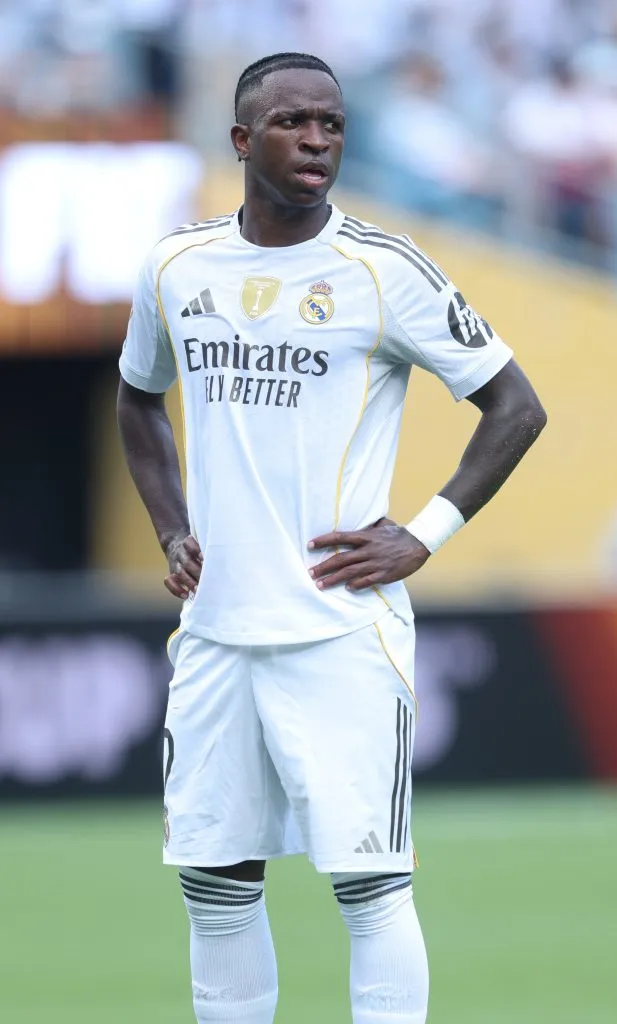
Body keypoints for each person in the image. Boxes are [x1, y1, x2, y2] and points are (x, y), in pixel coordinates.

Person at [117, 51, 546, 1024]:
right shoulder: (176, 265)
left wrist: (423, 532)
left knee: (368, 885)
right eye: (293, 123)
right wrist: (171, 525)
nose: (317, 140)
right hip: (217, 635)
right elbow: (138, 400)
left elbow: (514, 407)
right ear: (239, 140)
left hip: (338, 634)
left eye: (332, 125)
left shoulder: (381, 270)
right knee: (216, 886)